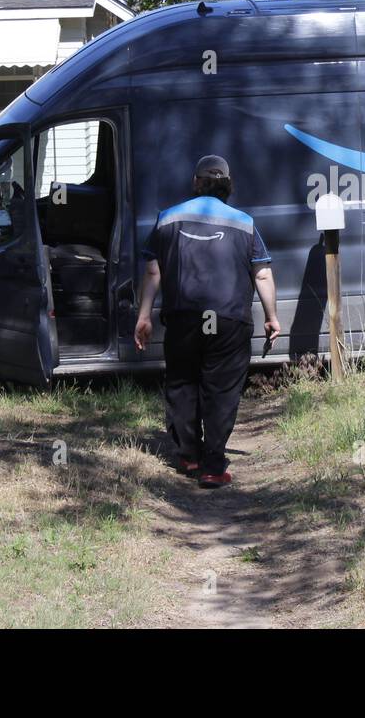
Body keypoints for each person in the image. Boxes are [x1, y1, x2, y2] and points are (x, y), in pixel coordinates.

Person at [134, 155, 280, 488]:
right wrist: (272, 317)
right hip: (227, 321)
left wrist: (144, 316)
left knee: (183, 383)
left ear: (195, 182)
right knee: (221, 390)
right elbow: (263, 272)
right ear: (227, 185)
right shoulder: (244, 223)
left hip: (185, 318)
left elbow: (153, 270)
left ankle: (189, 456)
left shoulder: (167, 218)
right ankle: (214, 466)